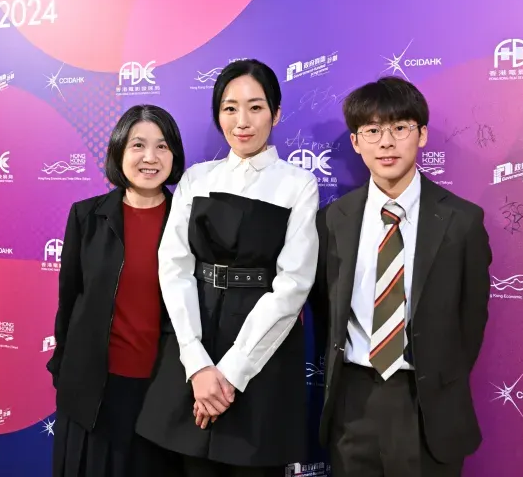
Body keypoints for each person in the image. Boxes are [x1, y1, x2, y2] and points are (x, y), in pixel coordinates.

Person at [136, 59, 320, 477]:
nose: (242, 122)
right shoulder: (197, 179)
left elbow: (293, 285)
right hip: (194, 338)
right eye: (230, 108)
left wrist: (232, 373)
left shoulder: (297, 184)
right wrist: (197, 363)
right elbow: (174, 267)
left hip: (261, 351)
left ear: (276, 113)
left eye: (255, 108)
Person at [312, 76, 492, 477]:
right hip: (353, 403)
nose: (386, 143)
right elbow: (326, 308)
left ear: (422, 134)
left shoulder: (461, 222)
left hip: (428, 407)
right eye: (372, 131)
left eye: (400, 127)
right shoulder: (333, 220)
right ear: (356, 142)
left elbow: (471, 321)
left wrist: (436, 378)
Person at [48, 104, 186, 477]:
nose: (150, 157)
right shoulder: (86, 217)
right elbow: (69, 301)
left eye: (162, 146)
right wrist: (64, 370)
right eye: (138, 145)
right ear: (119, 151)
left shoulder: (190, 221)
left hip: (163, 393)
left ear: (174, 155)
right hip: (94, 393)